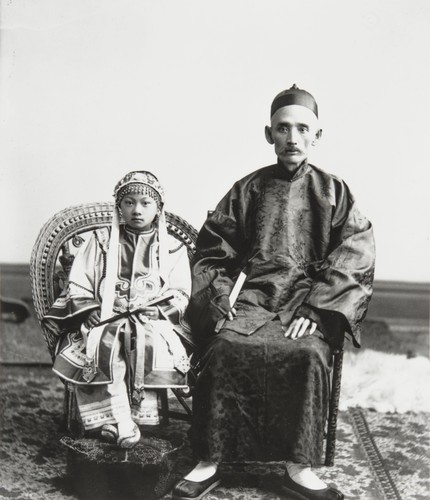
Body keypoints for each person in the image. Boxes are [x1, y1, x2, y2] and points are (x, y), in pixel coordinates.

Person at [172, 85, 375, 500]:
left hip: (307, 302)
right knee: (224, 347)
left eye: (303, 129)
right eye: (283, 129)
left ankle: (298, 467)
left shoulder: (335, 192)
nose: (293, 138)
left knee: (307, 352)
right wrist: (221, 295)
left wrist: (319, 310)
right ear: (269, 134)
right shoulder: (247, 189)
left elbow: (356, 253)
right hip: (253, 298)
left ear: (317, 136)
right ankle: (210, 460)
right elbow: (213, 251)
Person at [43, 171, 191, 448]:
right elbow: (78, 282)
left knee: (139, 338)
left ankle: (127, 420)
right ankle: (118, 421)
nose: (137, 210)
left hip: (152, 321)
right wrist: (89, 310)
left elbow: (181, 292)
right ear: (119, 207)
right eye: (129, 202)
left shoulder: (172, 247)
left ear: (158, 208)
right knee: (105, 339)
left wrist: (159, 311)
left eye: (146, 203)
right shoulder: (100, 241)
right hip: (106, 317)